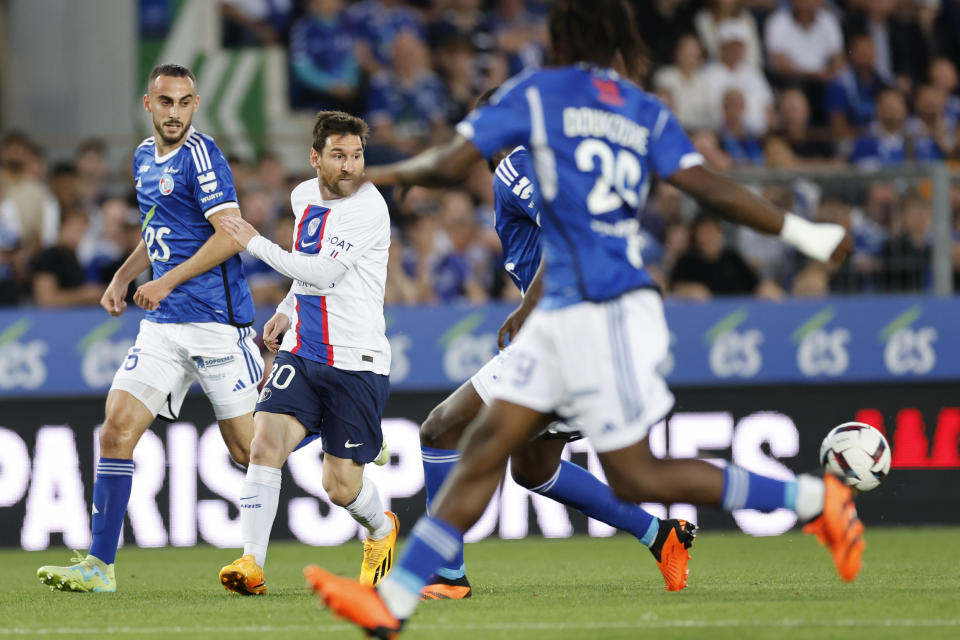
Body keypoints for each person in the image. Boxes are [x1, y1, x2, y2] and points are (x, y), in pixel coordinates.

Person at [305, 1, 862, 635]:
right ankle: (402, 600)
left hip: (585, 313)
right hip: (612, 307)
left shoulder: (532, 114)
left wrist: (372, 172)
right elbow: (709, 186)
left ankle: (812, 501)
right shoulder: (639, 108)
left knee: (529, 449)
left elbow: (453, 167)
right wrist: (805, 234)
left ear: (562, 36)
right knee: (509, 454)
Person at [416, 93, 696, 601]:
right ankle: (661, 535)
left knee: (440, 428)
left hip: (562, 336)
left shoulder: (514, 166)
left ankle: (445, 574)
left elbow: (567, 237)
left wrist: (527, 309)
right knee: (533, 468)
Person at [37, 64, 262, 593]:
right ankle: (99, 566)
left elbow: (232, 237)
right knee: (115, 429)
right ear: (148, 104)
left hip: (214, 323)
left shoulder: (202, 156)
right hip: (162, 326)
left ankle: (339, 436)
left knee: (249, 452)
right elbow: (158, 227)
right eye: (166, 102)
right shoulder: (141, 157)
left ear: (196, 104)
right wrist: (125, 275)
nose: (175, 113)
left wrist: (167, 282)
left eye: (185, 102)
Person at [216, 111, 397, 596]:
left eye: (357, 155)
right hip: (303, 351)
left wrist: (251, 241)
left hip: (356, 359)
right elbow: (305, 271)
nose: (350, 166)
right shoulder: (303, 197)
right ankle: (251, 563)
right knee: (263, 444)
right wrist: (286, 309)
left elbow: (324, 272)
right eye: (339, 155)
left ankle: (381, 529)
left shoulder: (368, 207)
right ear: (315, 158)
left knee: (339, 488)